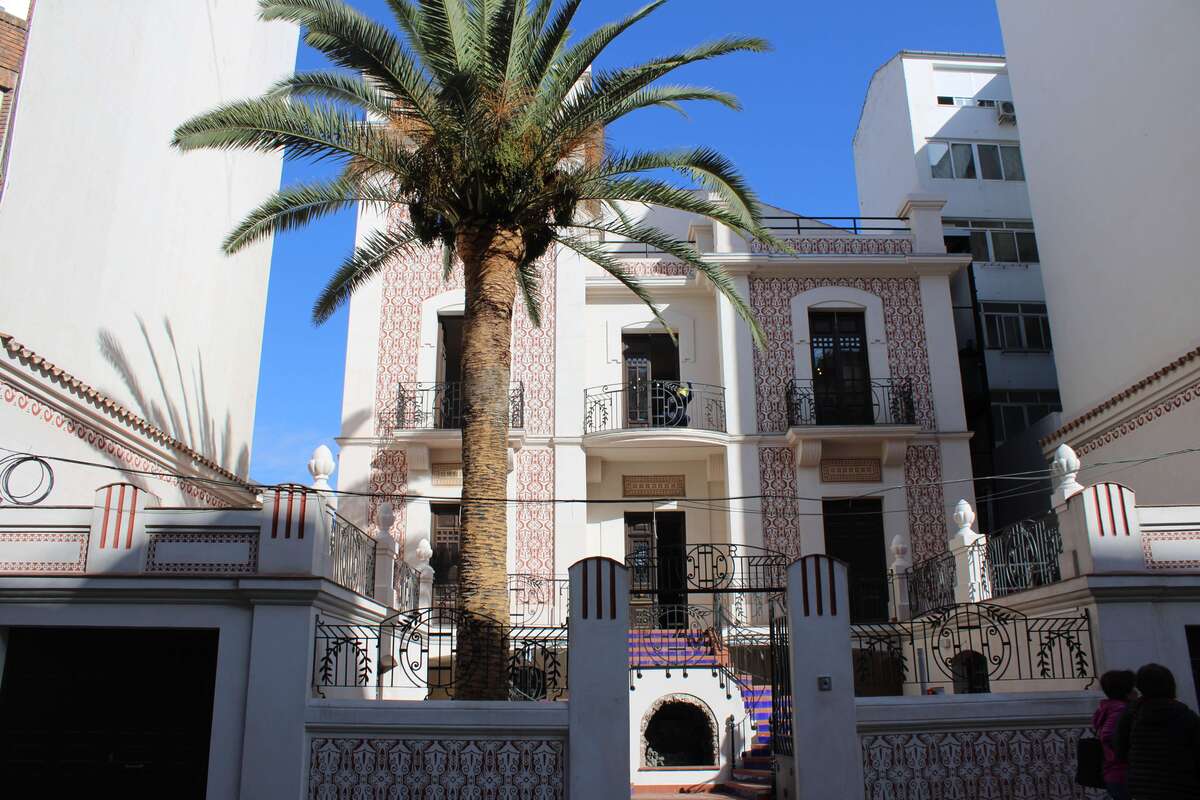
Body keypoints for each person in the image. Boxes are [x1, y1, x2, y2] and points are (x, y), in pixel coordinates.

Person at [1114, 663, 1200, 799]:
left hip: (1142, 788)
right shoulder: (1185, 715)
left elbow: (1120, 752)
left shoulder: (1130, 714)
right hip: (1182, 787)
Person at [1093, 670, 1136, 800]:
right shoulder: (1120, 710)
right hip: (1122, 773)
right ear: (1126, 692)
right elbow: (1108, 735)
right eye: (1133, 689)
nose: (1137, 692)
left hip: (1114, 773)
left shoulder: (1108, 709)